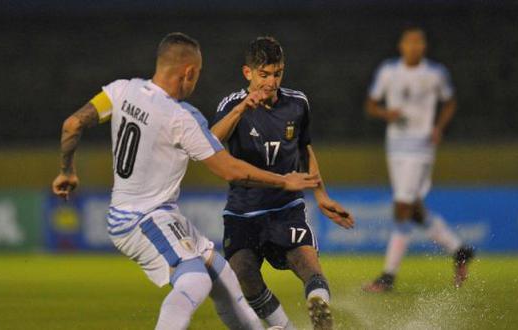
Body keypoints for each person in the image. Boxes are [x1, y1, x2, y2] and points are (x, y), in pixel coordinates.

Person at [51, 32, 320, 330]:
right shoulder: (181, 117)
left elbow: (72, 124)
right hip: (141, 218)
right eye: (198, 74)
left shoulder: (122, 89)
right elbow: (231, 170)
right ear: (189, 72)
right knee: (193, 280)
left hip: (159, 215)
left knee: (224, 277)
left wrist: (67, 170)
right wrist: (284, 181)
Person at [211, 36, 355, 330]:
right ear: (247, 73)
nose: (271, 81)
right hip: (243, 214)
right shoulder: (232, 104)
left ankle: (319, 306)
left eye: (277, 73)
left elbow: (305, 149)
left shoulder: (297, 103)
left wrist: (321, 194)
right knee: (244, 275)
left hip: (285, 209)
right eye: (264, 74)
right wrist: (242, 110)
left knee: (308, 264)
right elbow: (210, 142)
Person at [363, 26, 474, 292]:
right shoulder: (388, 71)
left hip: (421, 146)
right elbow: (371, 104)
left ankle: (388, 276)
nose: (414, 47)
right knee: (414, 208)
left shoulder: (435, 73)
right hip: (395, 146)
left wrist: (438, 127)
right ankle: (459, 249)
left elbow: (450, 102)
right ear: (401, 45)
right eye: (409, 42)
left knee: (402, 205)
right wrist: (385, 113)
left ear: (424, 47)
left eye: (418, 42)